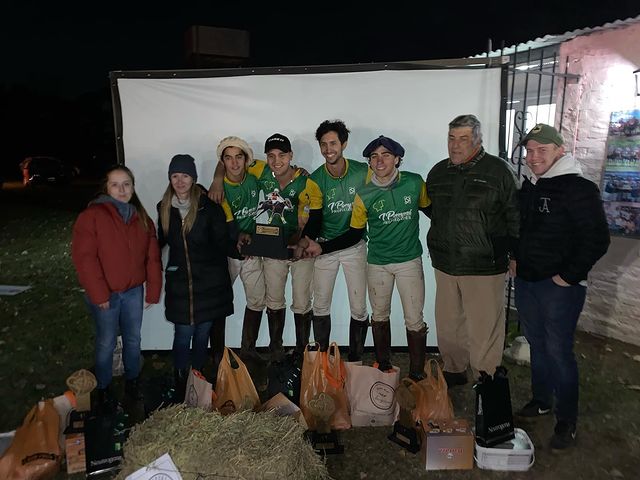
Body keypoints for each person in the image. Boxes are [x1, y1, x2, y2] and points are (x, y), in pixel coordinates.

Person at [514, 123, 610, 450]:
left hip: (560, 288)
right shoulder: (532, 186)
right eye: (530, 151)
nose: (533, 156)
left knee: (558, 352)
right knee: (537, 345)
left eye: (542, 150)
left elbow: (597, 239)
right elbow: (522, 229)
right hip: (527, 281)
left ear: (560, 150)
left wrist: (567, 277)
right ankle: (542, 401)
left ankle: (566, 420)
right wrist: (515, 258)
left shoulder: (579, 188)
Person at [305, 135, 430, 379]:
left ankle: (416, 376)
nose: (380, 161)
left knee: (414, 320)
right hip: (378, 263)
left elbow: (431, 210)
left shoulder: (415, 183)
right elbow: (354, 234)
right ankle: (383, 369)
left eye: (386, 155)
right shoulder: (363, 194)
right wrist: (322, 248)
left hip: (408, 262)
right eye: (374, 156)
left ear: (397, 159)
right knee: (379, 316)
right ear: (369, 163)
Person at [425, 114, 519, 387]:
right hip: (445, 263)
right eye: (451, 138)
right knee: (448, 323)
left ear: (477, 141)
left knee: (484, 327)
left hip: (484, 265)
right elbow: (434, 211)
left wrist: (515, 255)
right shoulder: (438, 172)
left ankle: (486, 378)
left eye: (463, 139)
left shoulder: (499, 172)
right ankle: (454, 368)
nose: (455, 145)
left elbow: (515, 216)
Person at [72, 165, 162, 408]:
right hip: (106, 294)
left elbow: (152, 257)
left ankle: (133, 381)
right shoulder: (92, 216)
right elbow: (85, 258)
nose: (121, 190)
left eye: (126, 184)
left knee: (133, 339)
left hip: (133, 291)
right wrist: (99, 293)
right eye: (115, 185)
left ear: (133, 187)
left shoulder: (141, 218)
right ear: (106, 188)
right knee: (107, 341)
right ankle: (103, 387)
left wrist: (153, 290)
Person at [157, 155, 236, 400]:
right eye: (175, 176)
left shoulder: (208, 208)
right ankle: (181, 381)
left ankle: (197, 378)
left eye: (185, 176)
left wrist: (243, 248)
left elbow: (223, 242)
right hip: (180, 284)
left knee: (202, 334)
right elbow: (159, 242)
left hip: (209, 283)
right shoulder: (164, 208)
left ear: (193, 179)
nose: (180, 181)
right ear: (170, 178)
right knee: (183, 334)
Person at [253, 133, 323, 362]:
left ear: (291, 155)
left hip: (301, 250)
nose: (277, 161)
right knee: (273, 300)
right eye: (271, 156)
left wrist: (305, 240)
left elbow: (316, 215)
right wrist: (216, 179)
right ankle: (276, 350)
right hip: (273, 249)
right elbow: (229, 162)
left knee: (302, 301)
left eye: (282, 155)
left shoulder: (307, 181)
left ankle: (301, 352)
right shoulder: (261, 172)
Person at [306, 120, 370, 358]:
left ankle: (355, 360)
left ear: (344, 144)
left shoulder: (363, 172)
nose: (328, 149)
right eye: (323, 144)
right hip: (324, 246)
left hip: (354, 246)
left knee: (359, 307)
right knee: (320, 305)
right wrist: (306, 241)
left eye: (333, 143)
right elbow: (315, 218)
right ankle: (322, 362)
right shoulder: (315, 179)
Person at [216, 136, 267, 362]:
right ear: (222, 162)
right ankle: (218, 354)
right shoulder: (220, 189)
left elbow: (280, 170)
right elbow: (227, 224)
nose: (234, 163)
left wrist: (298, 171)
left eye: (238, 157)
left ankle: (248, 349)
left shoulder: (255, 174)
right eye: (228, 158)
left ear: (246, 160)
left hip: (252, 249)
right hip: (228, 251)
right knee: (219, 302)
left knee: (257, 300)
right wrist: (237, 240)